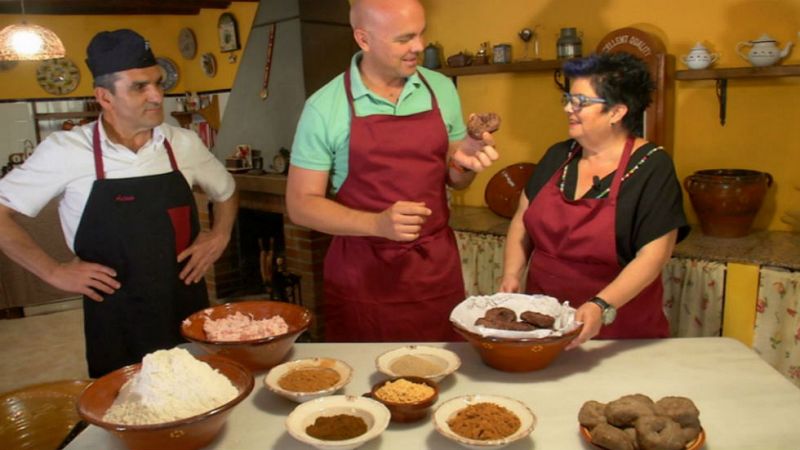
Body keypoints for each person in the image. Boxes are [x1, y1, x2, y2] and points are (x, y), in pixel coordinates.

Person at [0, 29, 238, 377]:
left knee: (197, 393)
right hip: (115, 313)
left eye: (158, 83)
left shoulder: (183, 144)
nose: (157, 96)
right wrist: (53, 271)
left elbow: (227, 191)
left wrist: (220, 234)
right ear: (104, 96)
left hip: (184, 301)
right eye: (140, 87)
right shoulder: (66, 151)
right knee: (126, 407)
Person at [286, 0, 498, 342]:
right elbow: (300, 204)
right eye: (404, 38)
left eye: (421, 33)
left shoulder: (441, 89)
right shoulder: (324, 107)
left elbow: (457, 181)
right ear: (363, 39)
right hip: (363, 276)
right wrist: (377, 224)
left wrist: (465, 162)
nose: (419, 46)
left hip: (434, 270)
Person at [500, 52, 689, 349]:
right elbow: (522, 222)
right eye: (568, 99)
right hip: (544, 327)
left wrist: (601, 305)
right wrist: (512, 274)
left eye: (581, 103)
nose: (568, 109)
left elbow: (654, 256)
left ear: (616, 112)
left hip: (619, 333)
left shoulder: (653, 166)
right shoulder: (558, 156)